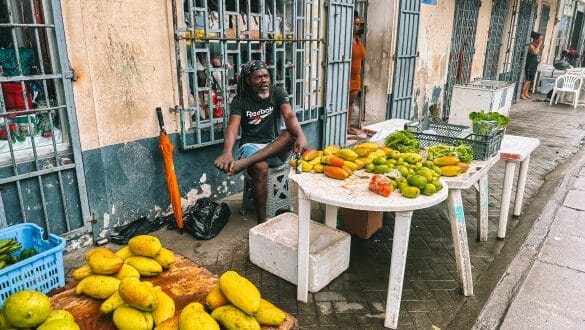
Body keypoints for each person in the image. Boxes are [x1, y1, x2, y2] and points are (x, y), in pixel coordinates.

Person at [214, 60, 308, 223]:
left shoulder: (277, 92)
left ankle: (243, 164)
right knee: (260, 167)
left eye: (266, 76)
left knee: (290, 134)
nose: (264, 80)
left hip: (275, 145)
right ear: (249, 81)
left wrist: (300, 135)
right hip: (251, 146)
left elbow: (289, 116)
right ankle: (262, 222)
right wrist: (227, 152)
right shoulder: (240, 100)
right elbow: (233, 126)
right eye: (258, 77)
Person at [348, 11, 366, 136]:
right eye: (354, 24)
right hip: (346, 76)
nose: (356, 27)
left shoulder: (358, 40)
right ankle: (344, 126)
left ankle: (347, 125)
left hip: (356, 77)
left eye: (358, 24)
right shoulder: (347, 40)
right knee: (345, 102)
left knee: (351, 102)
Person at [521, 31, 543, 100]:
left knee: (530, 79)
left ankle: (526, 93)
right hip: (530, 65)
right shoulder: (531, 45)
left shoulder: (536, 45)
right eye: (539, 39)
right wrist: (539, 45)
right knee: (527, 79)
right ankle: (522, 94)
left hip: (534, 65)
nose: (540, 41)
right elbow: (535, 52)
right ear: (535, 39)